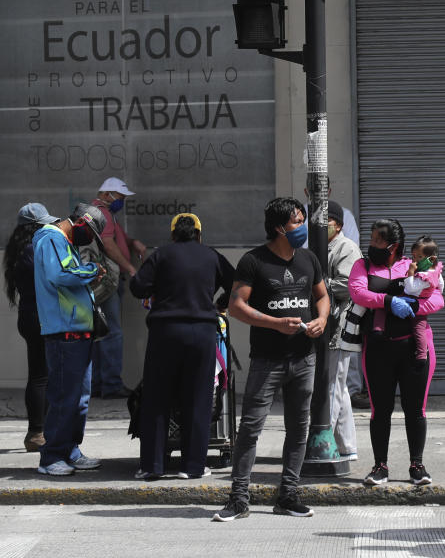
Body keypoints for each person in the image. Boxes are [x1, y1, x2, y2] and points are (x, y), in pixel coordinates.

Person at [214, 197, 330, 522]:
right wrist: (275, 323)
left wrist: (322, 319)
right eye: (296, 221)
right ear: (279, 227)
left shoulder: (308, 259)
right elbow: (236, 306)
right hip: (267, 360)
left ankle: (288, 495)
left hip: (304, 358)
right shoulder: (254, 261)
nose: (302, 227)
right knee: (251, 429)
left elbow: (322, 296)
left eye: (303, 219)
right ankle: (238, 499)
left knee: (298, 429)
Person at [129, 213, 234, 480]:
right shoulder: (212, 256)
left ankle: (153, 466)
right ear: (199, 234)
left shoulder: (161, 255)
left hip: (165, 332)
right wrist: (219, 305)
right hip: (202, 333)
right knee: (197, 399)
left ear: (173, 234)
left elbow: (138, 287)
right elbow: (236, 284)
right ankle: (193, 466)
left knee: (157, 398)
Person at [349, 219, 445, 486]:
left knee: (416, 409)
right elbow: (359, 293)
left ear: (393, 245)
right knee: (381, 410)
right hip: (378, 348)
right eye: (371, 239)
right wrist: (389, 301)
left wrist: (413, 307)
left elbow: (437, 297)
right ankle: (380, 466)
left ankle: (418, 466)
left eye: (377, 240)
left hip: (415, 347)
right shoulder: (363, 265)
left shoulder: (414, 264)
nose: (371, 245)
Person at [33, 203, 107, 476]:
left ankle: (70, 451)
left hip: (77, 331)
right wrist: (90, 271)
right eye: (91, 233)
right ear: (81, 223)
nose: (91, 240)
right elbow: (58, 275)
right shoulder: (51, 239)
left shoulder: (63, 242)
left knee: (79, 398)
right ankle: (51, 457)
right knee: (65, 397)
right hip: (64, 332)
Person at [4, 203, 59, 452]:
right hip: (40, 317)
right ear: (33, 227)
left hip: (30, 316)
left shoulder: (21, 250)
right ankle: (37, 432)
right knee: (41, 376)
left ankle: (39, 430)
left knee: (40, 375)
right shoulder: (32, 250)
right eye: (43, 224)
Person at [91, 177, 146, 399]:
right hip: (107, 280)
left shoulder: (105, 214)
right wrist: (130, 268)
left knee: (100, 331)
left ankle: (97, 384)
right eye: (120, 198)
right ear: (106, 194)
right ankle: (111, 384)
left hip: (103, 279)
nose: (121, 202)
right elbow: (108, 244)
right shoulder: (101, 213)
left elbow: (119, 237)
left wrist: (132, 243)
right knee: (112, 332)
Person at [325, 201, 363, 461]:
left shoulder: (346, 248)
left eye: (326, 221)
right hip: (327, 329)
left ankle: (322, 440)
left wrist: (315, 284)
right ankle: (347, 446)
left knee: (332, 388)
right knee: (339, 388)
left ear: (337, 224)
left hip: (339, 328)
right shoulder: (323, 247)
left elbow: (345, 285)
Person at [403, 235, 444, 362]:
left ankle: (421, 355)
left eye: (419, 257)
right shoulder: (433, 270)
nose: (414, 260)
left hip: (417, 306)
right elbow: (441, 284)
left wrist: (410, 273)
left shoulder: (425, 276)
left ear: (431, 259)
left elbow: (410, 288)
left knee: (418, 328)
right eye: (413, 256)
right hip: (415, 300)